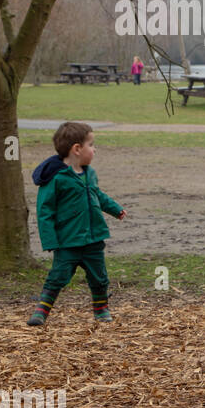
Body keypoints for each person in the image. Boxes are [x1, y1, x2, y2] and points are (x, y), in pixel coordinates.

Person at [27, 122, 126, 326]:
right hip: (67, 242)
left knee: (99, 278)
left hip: (93, 239)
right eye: (91, 144)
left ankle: (101, 310)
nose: (94, 149)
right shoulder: (55, 179)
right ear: (77, 149)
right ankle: (41, 312)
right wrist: (50, 241)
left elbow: (97, 194)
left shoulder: (90, 173)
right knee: (57, 277)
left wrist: (115, 209)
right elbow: (44, 211)